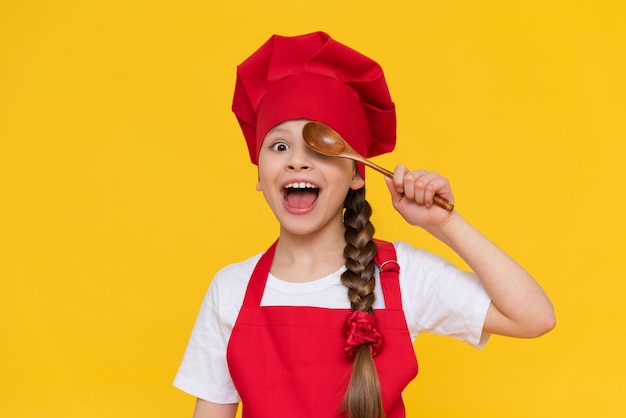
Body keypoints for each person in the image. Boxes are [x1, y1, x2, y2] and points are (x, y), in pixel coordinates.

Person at [173, 31, 555, 418]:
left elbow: (534, 317)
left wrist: (445, 223)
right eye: (279, 146)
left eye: (319, 148)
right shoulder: (230, 288)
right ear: (260, 174)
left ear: (357, 174)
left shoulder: (400, 276)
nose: (297, 162)